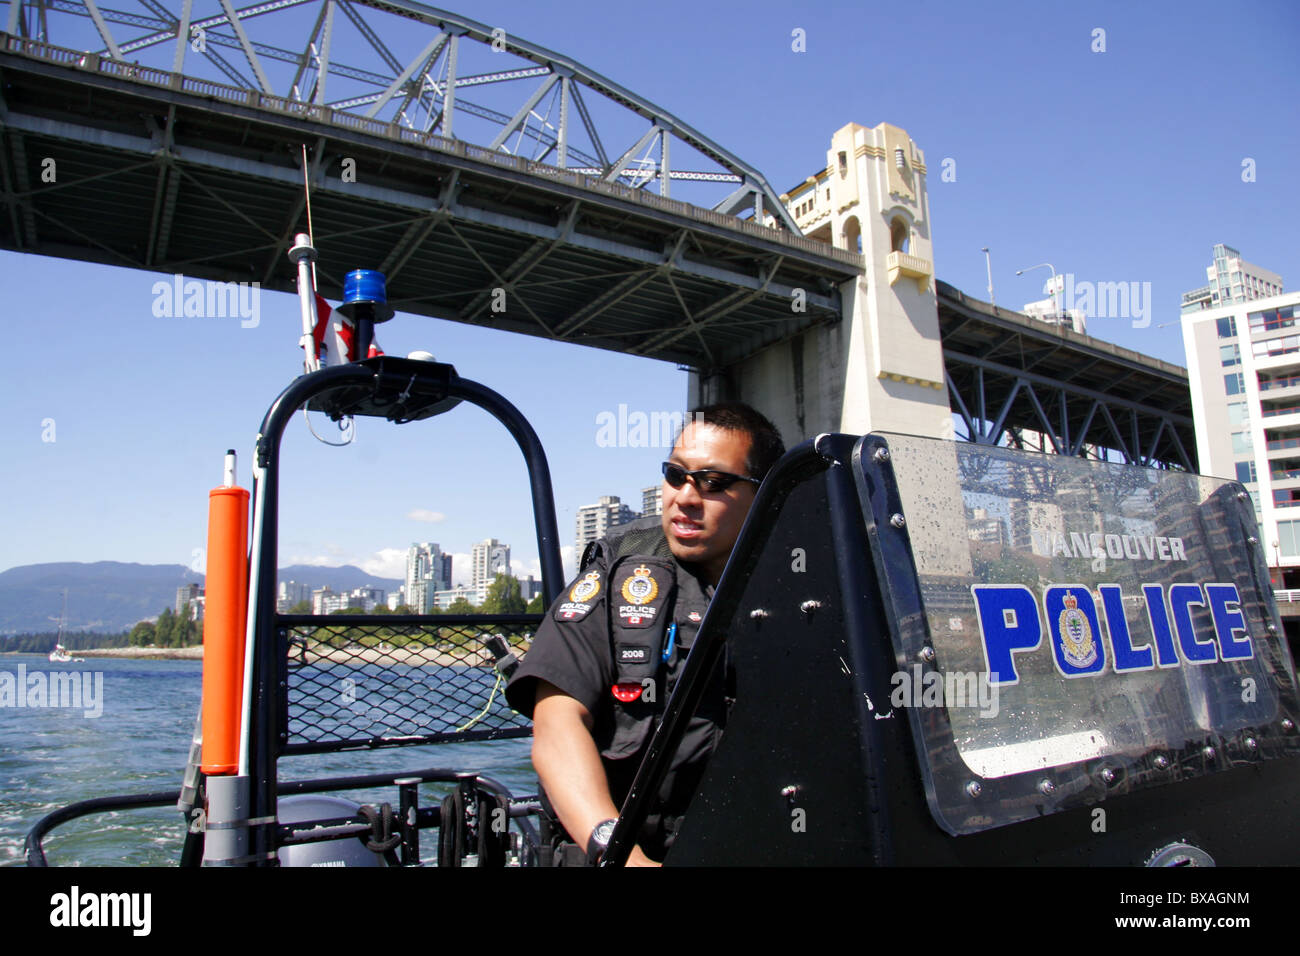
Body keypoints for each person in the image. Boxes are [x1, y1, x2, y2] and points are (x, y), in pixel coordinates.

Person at [504, 402, 785, 866]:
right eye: (676, 475)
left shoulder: (806, 578)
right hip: (628, 849)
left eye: (713, 482)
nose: (686, 497)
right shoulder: (622, 569)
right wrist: (620, 854)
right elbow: (556, 725)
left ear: (765, 495)